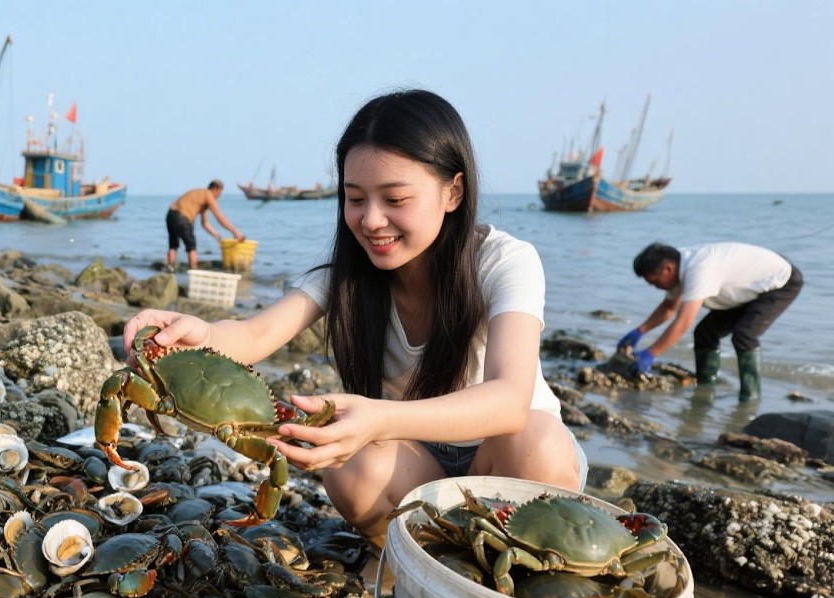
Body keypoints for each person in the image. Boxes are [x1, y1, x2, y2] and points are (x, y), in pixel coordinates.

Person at [120, 90, 586, 553]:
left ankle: (516, 571)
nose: (372, 220)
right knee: (350, 466)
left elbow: (509, 402)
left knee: (535, 440)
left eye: (395, 198)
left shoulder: (505, 261)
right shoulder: (345, 277)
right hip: (417, 459)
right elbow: (256, 333)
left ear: (453, 192)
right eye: (355, 198)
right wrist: (201, 333)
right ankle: (405, 561)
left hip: (510, 459)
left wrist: (379, 418)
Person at [619, 242, 802, 402]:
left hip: (780, 282)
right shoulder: (679, 267)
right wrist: (639, 331)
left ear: (667, 269)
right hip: (747, 289)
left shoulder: (699, 269)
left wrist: (652, 353)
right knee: (705, 332)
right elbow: (668, 308)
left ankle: (750, 397)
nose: (655, 287)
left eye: (655, 282)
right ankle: (706, 389)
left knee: (744, 335)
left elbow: (683, 322)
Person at [165, 180, 243, 271]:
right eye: (220, 193)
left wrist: (217, 236)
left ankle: (170, 270)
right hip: (183, 218)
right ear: (216, 189)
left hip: (170, 215)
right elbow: (220, 217)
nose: (219, 196)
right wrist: (235, 231)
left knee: (173, 245)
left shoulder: (201, 196)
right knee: (191, 248)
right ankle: (193, 272)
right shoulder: (208, 195)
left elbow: (205, 223)